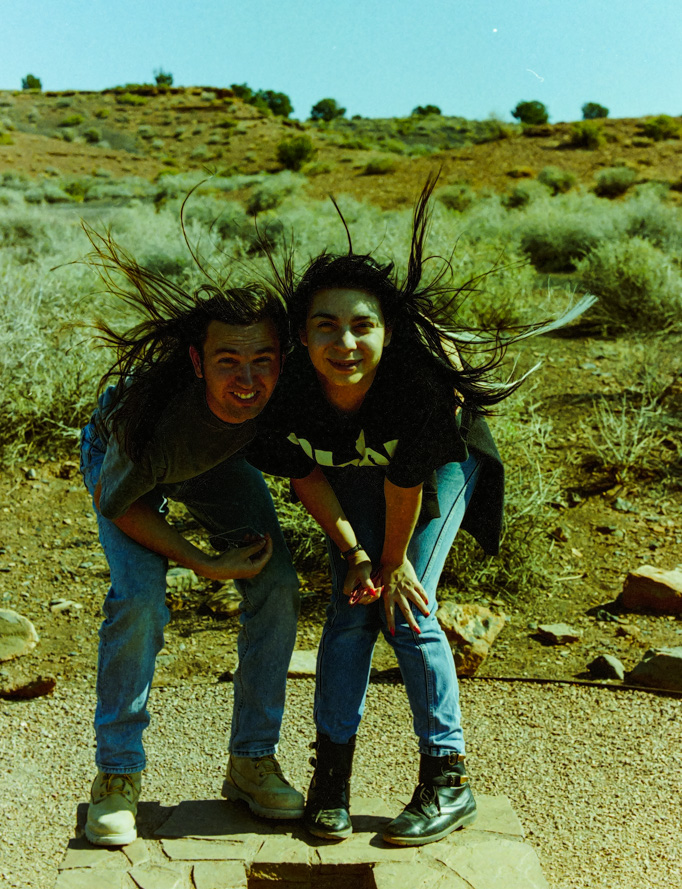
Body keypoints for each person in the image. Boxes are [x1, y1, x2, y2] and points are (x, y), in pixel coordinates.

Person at [249, 176, 592, 846]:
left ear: (386, 332)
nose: (343, 344)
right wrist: (354, 556)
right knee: (350, 610)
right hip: (349, 478)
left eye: (361, 327)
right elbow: (306, 475)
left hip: (436, 473)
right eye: (326, 327)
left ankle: (447, 779)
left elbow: (407, 486)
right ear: (302, 335)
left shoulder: (417, 388)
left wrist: (393, 561)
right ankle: (332, 781)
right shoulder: (284, 390)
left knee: (407, 609)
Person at [78, 232, 303, 846]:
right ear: (198, 361)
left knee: (278, 582)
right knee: (142, 598)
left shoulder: (287, 390)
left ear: (284, 357)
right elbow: (121, 507)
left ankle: (251, 762)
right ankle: (117, 775)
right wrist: (204, 561)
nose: (249, 378)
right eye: (228, 361)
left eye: (263, 359)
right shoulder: (150, 418)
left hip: (215, 462)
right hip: (127, 475)